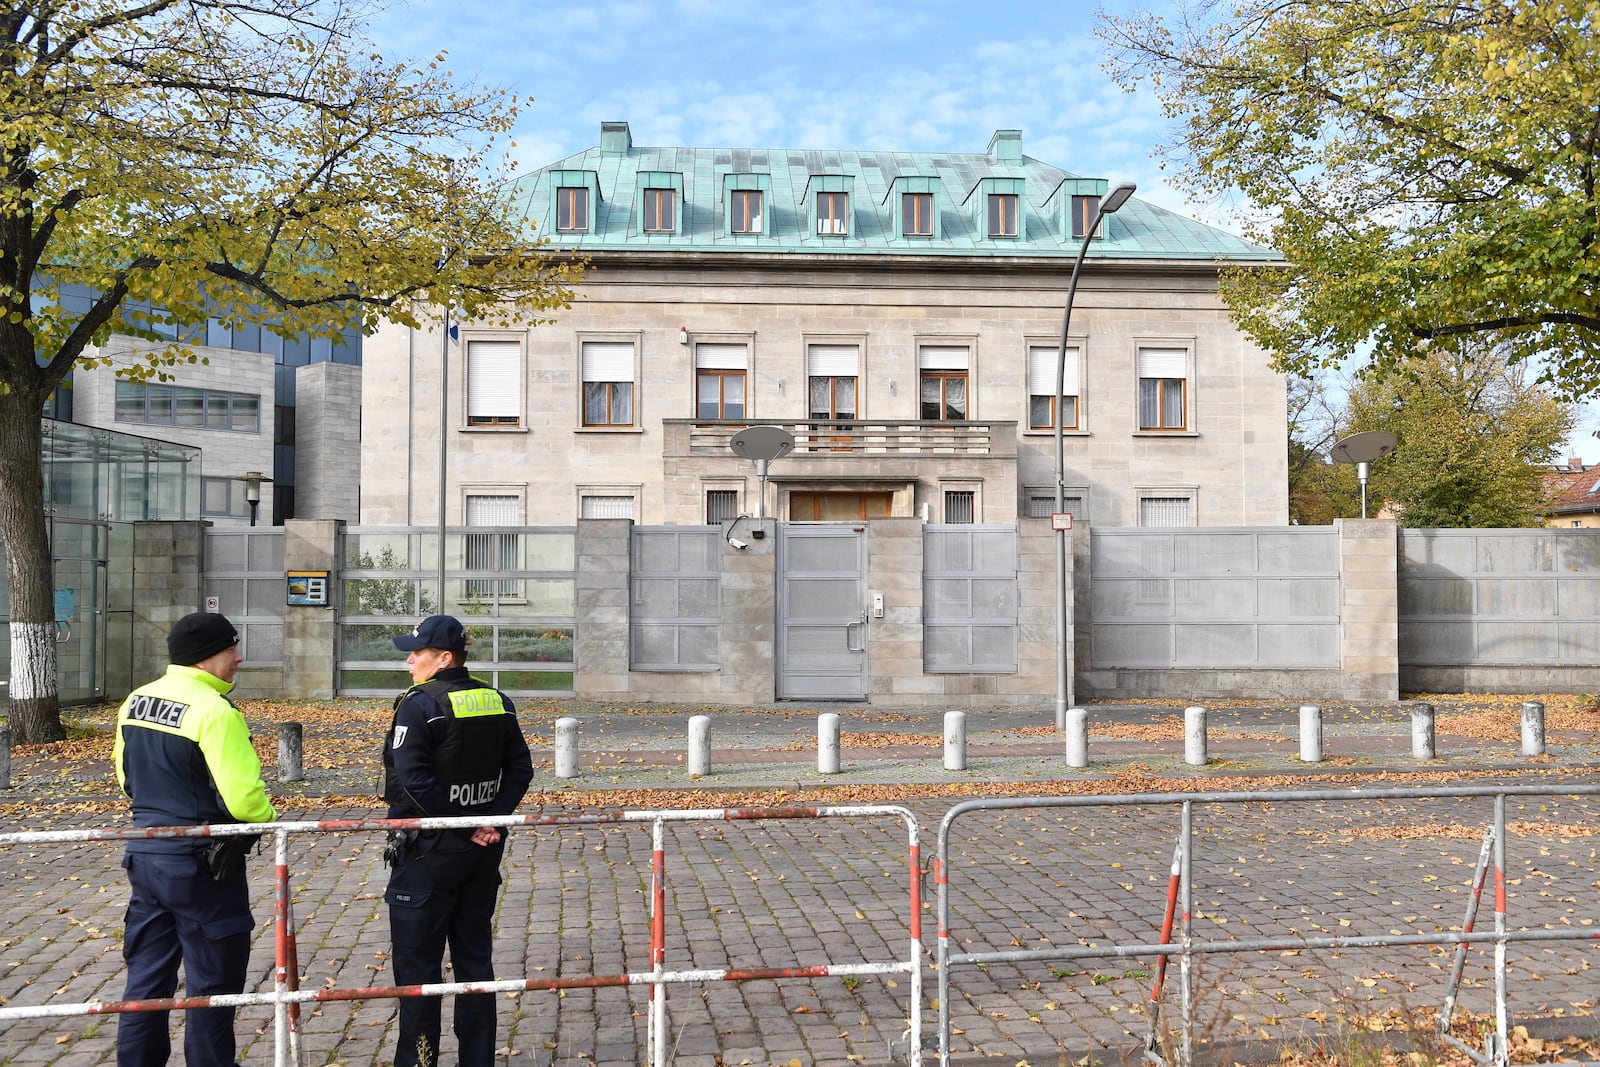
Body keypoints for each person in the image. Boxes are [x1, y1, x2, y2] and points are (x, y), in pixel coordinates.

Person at [112, 611, 276, 1067]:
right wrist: (270, 818)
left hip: (146, 855)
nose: (239, 658)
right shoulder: (214, 711)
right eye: (231, 650)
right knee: (212, 987)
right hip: (203, 867)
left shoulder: (136, 701)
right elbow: (245, 802)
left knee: (145, 981)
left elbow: (126, 779)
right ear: (206, 658)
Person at [383, 614, 533, 1067]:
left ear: (444, 658)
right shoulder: (497, 700)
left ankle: (419, 1062)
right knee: (474, 964)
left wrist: (463, 823)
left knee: (418, 970)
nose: (409, 660)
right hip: (482, 853)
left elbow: (411, 780)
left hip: (428, 853)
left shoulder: (419, 704)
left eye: (417, 652)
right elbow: (520, 769)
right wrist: (489, 819)